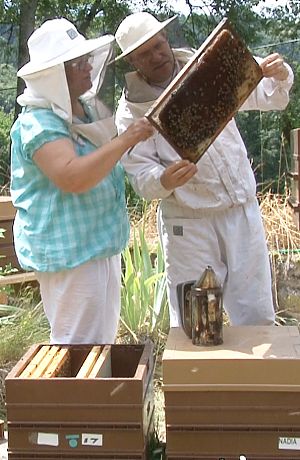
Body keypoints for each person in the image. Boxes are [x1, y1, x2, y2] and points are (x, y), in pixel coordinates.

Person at [114, 12, 294, 328]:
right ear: (132, 60)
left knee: (257, 315)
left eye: (159, 45)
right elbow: (140, 173)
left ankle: (254, 378)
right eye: (145, 53)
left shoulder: (207, 66)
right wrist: (163, 179)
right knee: (196, 323)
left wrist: (277, 73)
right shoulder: (130, 112)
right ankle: (202, 377)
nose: (157, 55)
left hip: (240, 211)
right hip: (188, 220)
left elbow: (269, 96)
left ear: (167, 39)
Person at [10, 18, 153, 344]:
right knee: (77, 350)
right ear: (52, 74)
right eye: (77, 63)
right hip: (70, 254)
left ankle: (94, 397)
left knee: (98, 346)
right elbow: (72, 176)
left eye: (86, 58)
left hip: (98, 245)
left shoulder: (84, 110)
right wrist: (126, 139)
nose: (88, 66)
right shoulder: (37, 123)